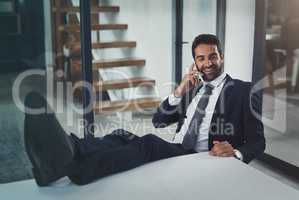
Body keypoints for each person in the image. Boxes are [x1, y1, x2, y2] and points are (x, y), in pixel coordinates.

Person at [24, 34, 265, 187]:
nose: (208, 63)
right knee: (121, 135)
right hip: (178, 149)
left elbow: (257, 141)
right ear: (195, 63)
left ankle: (74, 168)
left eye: (212, 56)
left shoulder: (244, 90)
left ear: (221, 56)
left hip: (201, 157)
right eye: (201, 59)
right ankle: (68, 152)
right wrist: (179, 91)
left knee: (148, 143)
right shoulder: (192, 90)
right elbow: (159, 120)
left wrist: (235, 152)